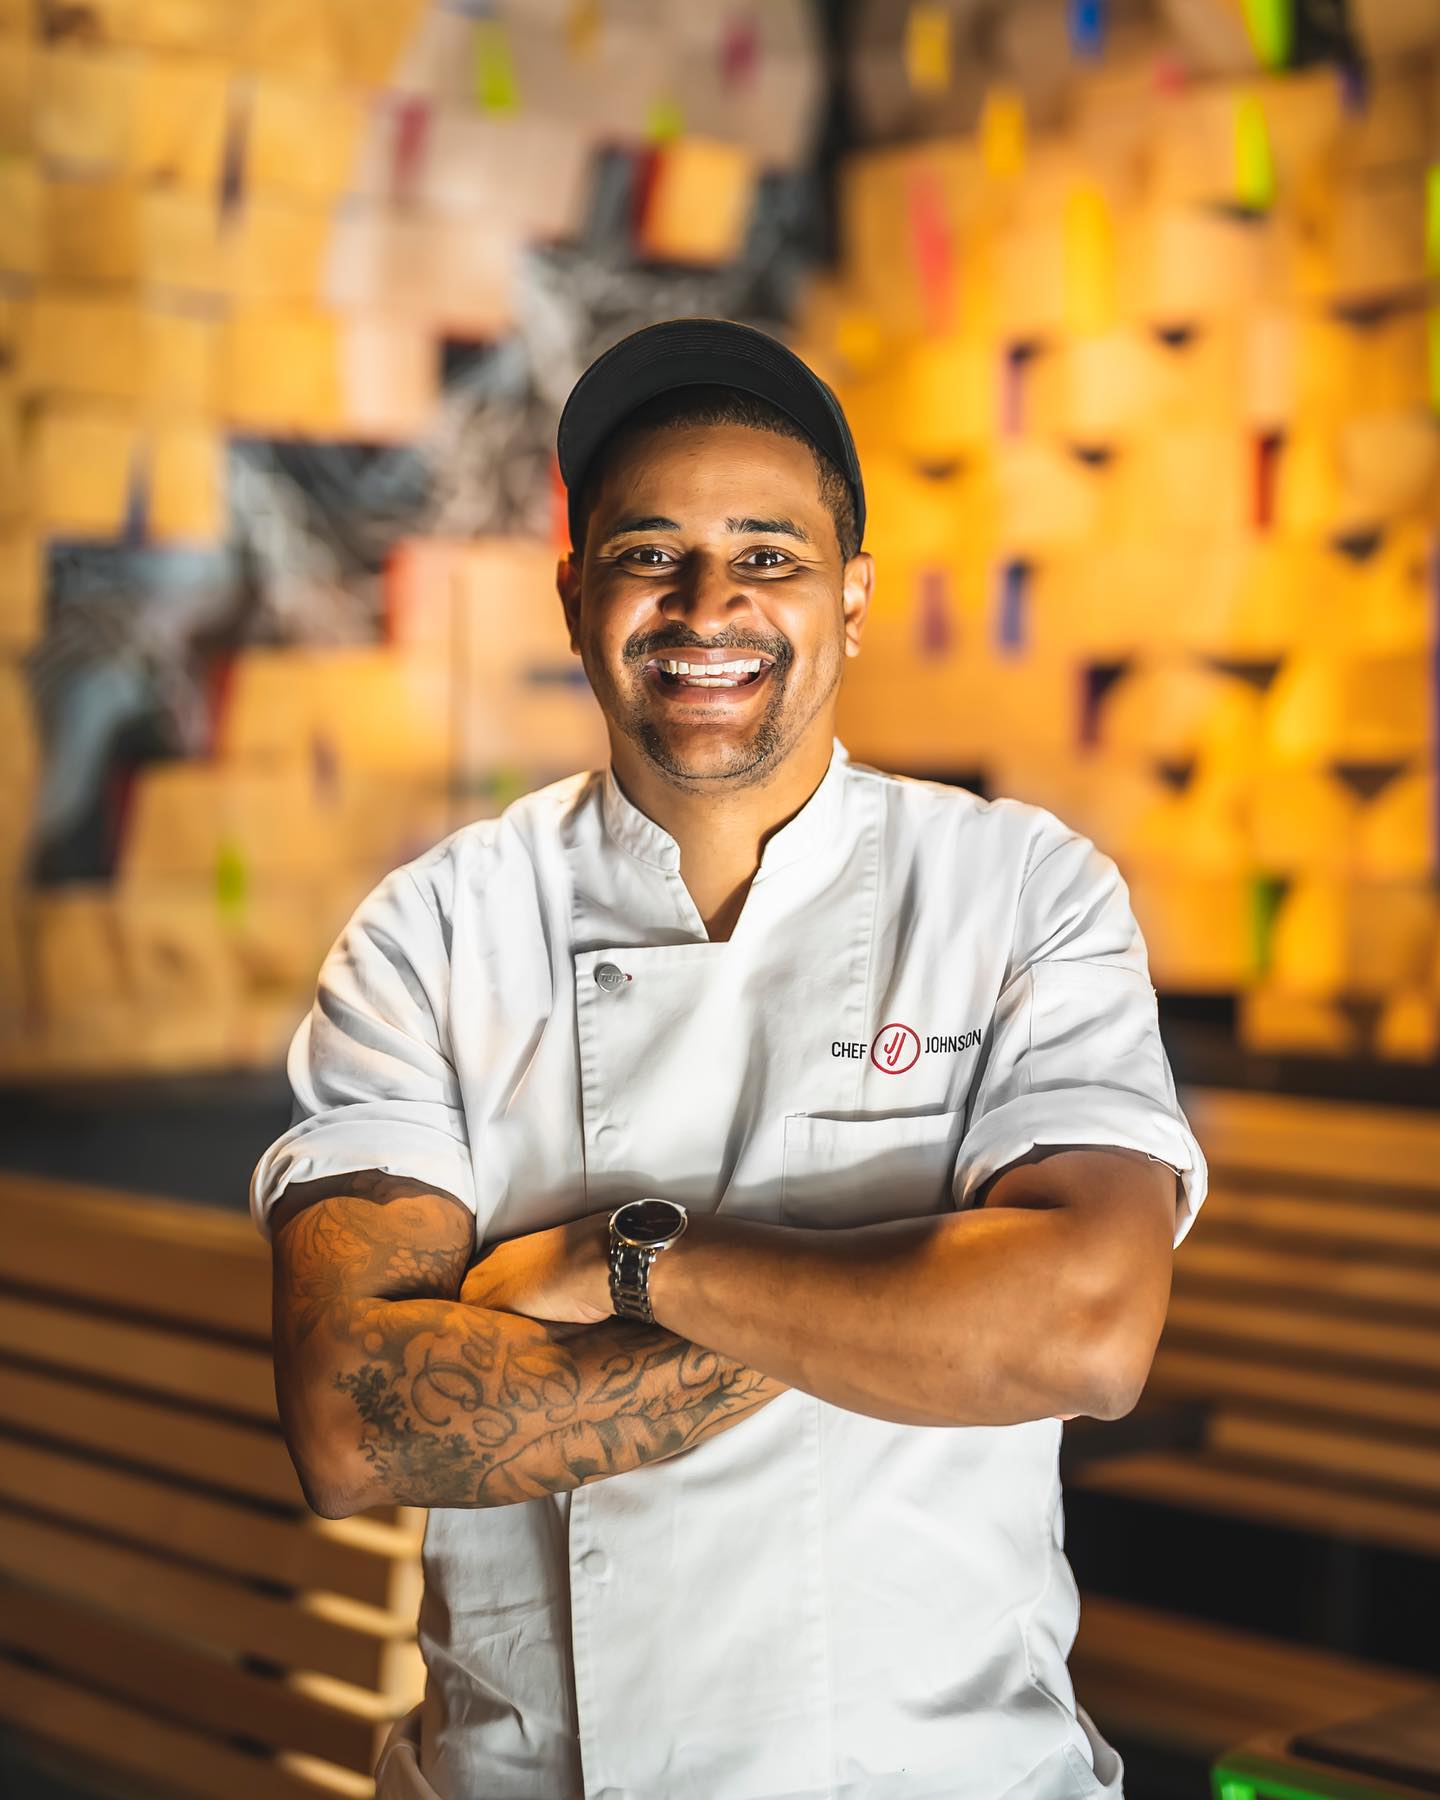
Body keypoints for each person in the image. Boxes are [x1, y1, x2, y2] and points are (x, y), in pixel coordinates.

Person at [250, 318, 1208, 1800]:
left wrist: (627, 1263)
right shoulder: (434, 931)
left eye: (770, 555)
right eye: (650, 553)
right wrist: (913, 1302)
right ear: (575, 597)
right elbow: (352, 1420)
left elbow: (1080, 1331)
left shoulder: (1021, 891)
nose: (710, 605)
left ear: (853, 599)